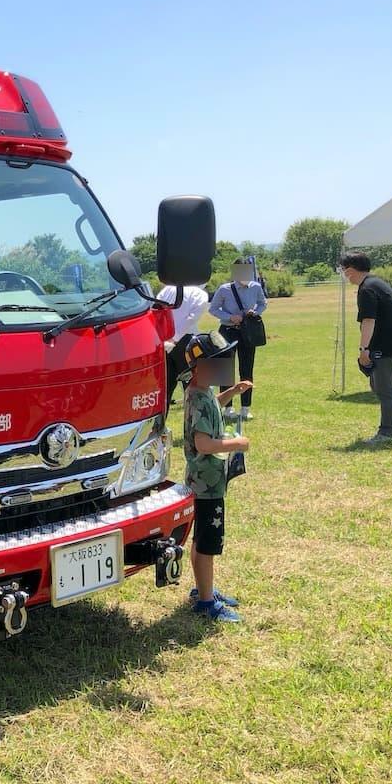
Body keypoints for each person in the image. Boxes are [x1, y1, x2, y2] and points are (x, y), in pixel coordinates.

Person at [181, 331, 252, 623]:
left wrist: (232, 392)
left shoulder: (202, 391)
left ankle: (203, 589)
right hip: (207, 484)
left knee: (201, 539)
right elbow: (204, 444)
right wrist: (237, 443)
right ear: (199, 367)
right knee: (207, 543)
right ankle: (207, 602)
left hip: (206, 481)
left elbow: (214, 407)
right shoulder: (197, 399)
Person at [339, 252, 392, 445]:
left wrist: (364, 349)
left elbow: (368, 321)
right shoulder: (376, 283)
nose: (344, 275)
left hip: (386, 347)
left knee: (385, 389)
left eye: (343, 270)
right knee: (379, 386)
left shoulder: (367, 289)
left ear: (350, 270)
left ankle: (386, 433)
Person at [208, 258, 267, 420]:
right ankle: (227, 408)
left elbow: (263, 303)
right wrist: (229, 316)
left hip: (247, 331)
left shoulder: (256, 287)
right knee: (225, 370)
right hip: (227, 331)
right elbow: (213, 309)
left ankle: (246, 408)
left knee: (247, 368)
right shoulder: (224, 289)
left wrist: (255, 313)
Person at [156, 284, 209, 407]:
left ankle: (160, 425)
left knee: (165, 387)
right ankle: (198, 421)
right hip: (186, 341)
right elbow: (191, 319)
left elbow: (156, 311)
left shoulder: (168, 288)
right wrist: (175, 338)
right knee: (196, 386)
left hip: (164, 340)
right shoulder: (200, 294)